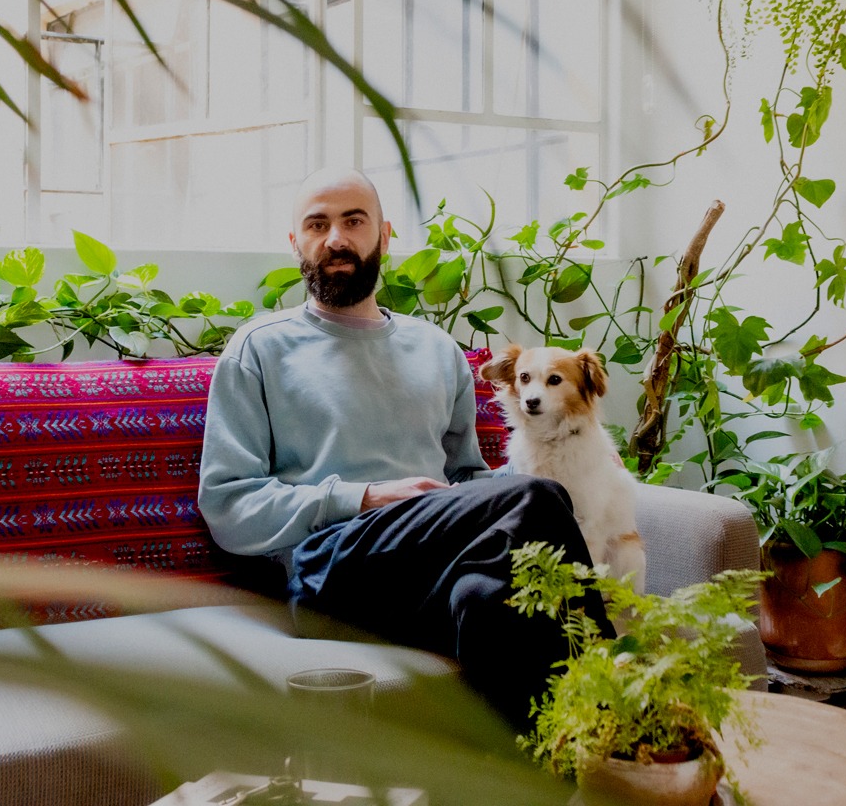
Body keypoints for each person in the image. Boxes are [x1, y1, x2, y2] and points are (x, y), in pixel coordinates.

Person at [197, 167, 604, 730]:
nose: (335, 238)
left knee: (490, 599)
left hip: (429, 567)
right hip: (329, 568)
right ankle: (632, 727)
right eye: (317, 224)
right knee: (535, 499)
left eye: (353, 221)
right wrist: (365, 497)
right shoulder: (259, 349)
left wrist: (556, 483)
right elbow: (228, 509)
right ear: (296, 244)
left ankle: (545, 776)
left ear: (384, 236)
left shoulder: (436, 349)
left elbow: (466, 480)